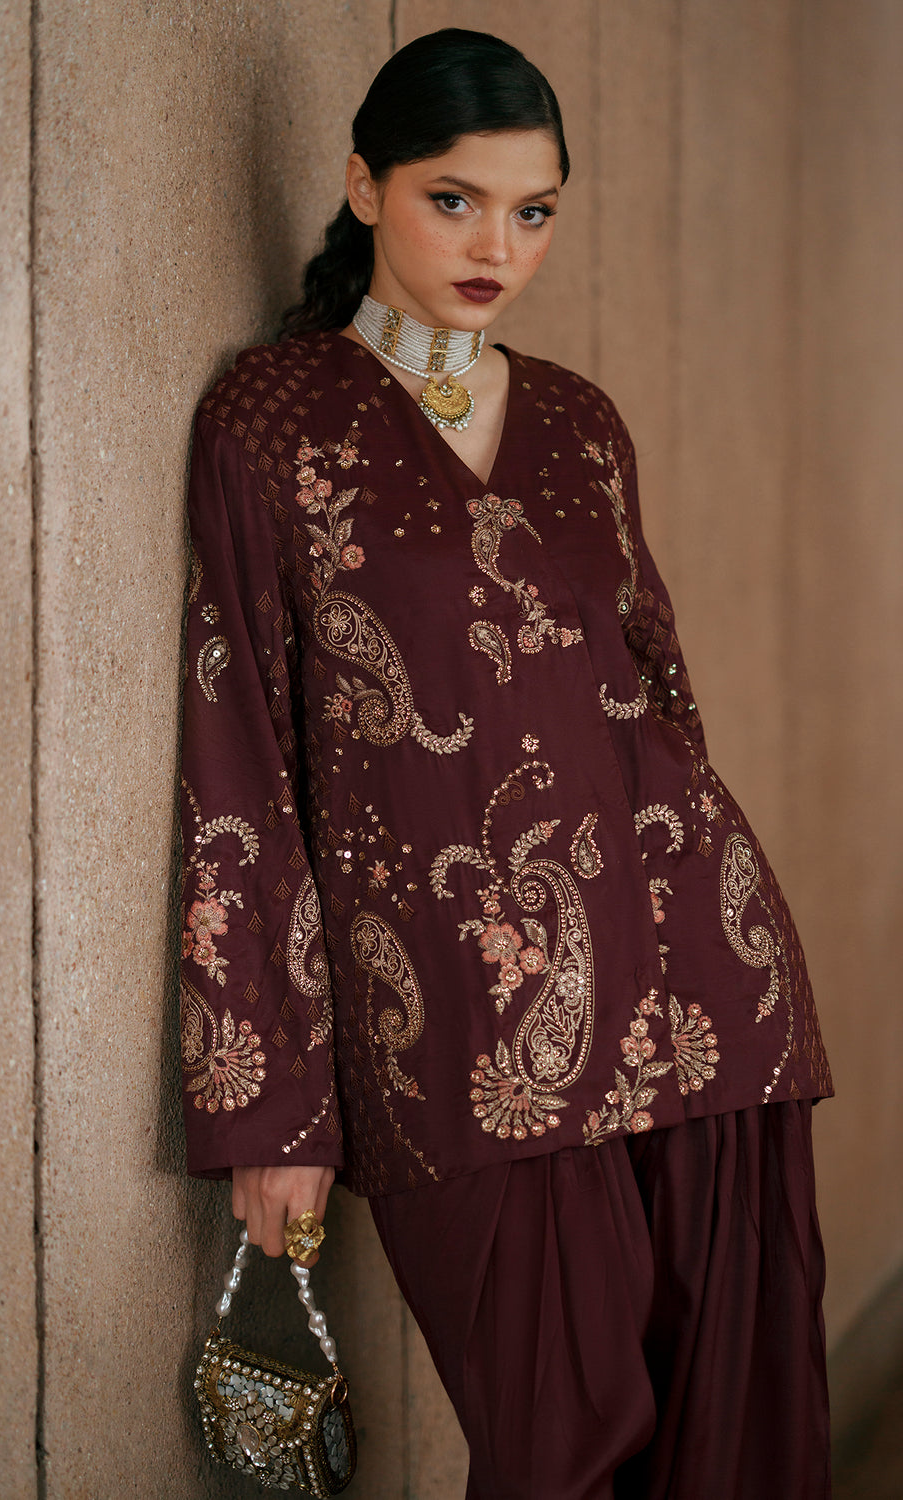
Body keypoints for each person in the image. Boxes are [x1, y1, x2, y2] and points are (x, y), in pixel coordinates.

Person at [178, 27, 833, 1499]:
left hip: (709, 997)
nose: (496, 248)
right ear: (364, 186)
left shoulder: (582, 423)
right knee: (560, 1456)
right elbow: (240, 773)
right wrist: (273, 1106)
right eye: (454, 200)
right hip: (464, 1038)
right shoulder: (273, 423)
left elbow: (661, 701)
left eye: (532, 211)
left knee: (734, 1454)